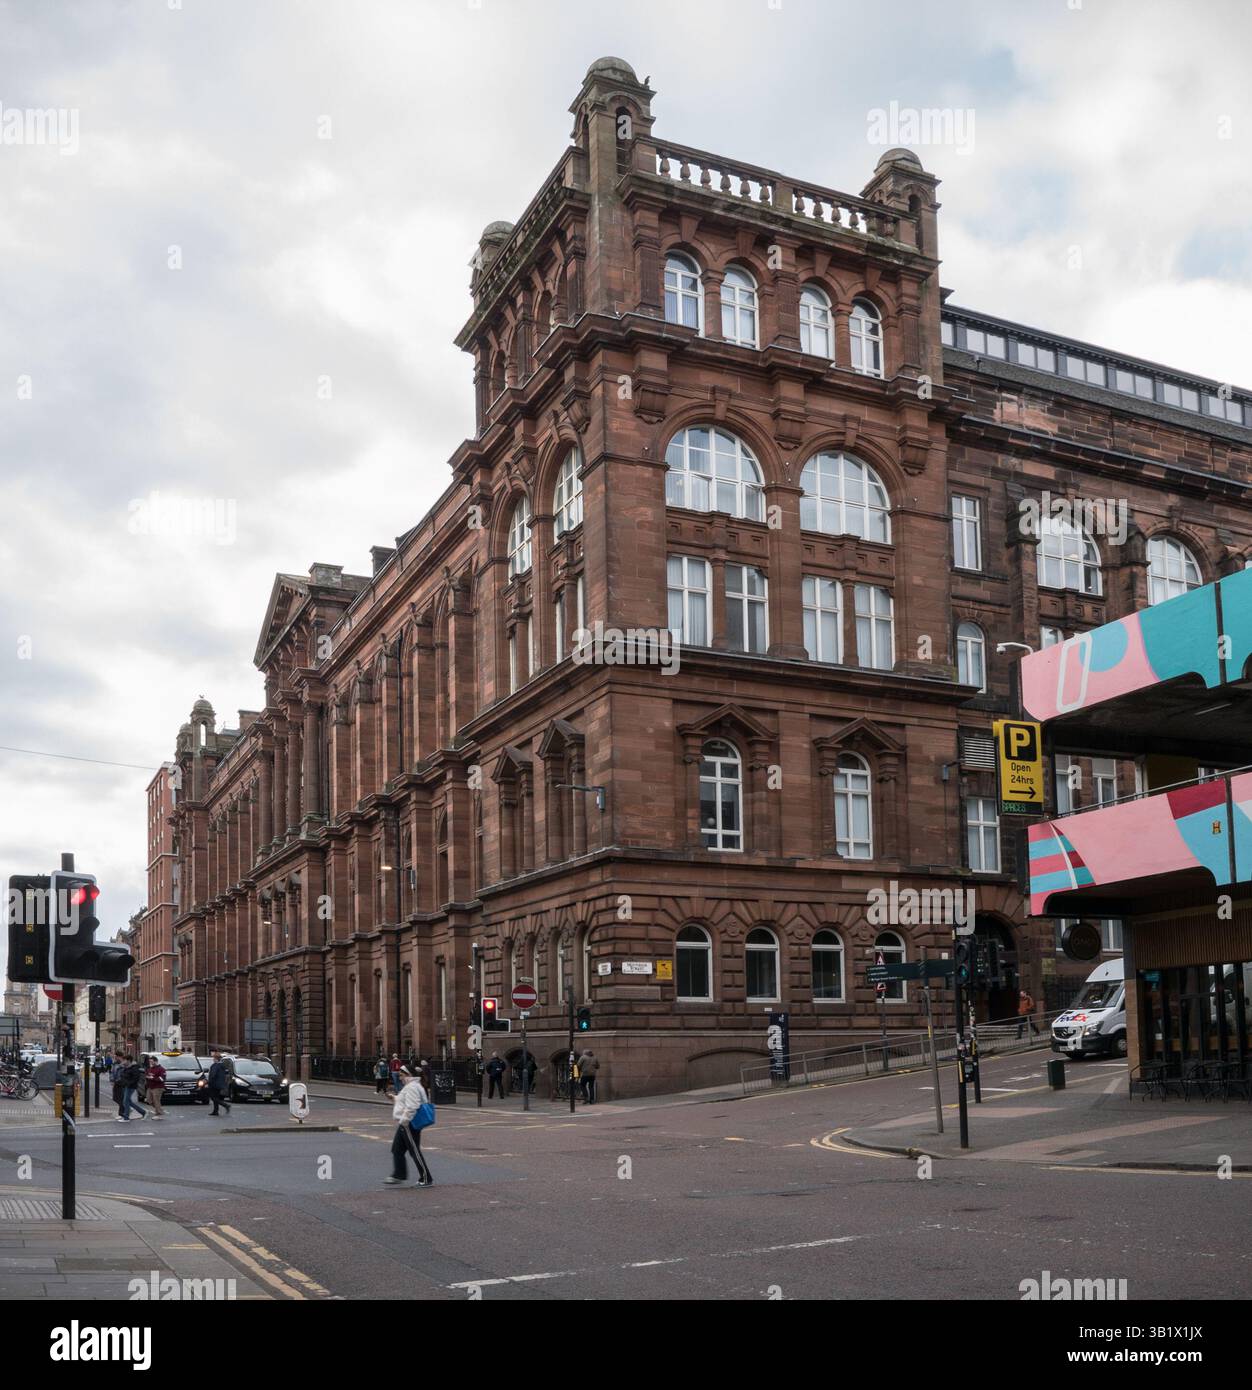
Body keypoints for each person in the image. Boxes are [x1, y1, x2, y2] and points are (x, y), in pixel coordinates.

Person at [385, 1066, 433, 1187]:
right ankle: (398, 1175)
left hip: (409, 1123)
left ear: (408, 1075)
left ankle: (426, 1178)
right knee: (397, 1149)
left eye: (401, 1075)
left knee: (414, 1151)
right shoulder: (411, 1086)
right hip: (405, 1123)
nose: (399, 1078)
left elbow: (412, 1106)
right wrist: (394, 1098)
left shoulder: (412, 1087)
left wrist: (405, 1121)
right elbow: (405, 1102)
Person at [118, 1055, 147, 1123]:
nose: (123, 1062)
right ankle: (143, 1112)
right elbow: (123, 1076)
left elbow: (135, 1078)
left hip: (130, 1087)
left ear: (128, 1060)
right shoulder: (126, 1067)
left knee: (125, 1101)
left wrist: (128, 1083)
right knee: (128, 1102)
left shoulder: (134, 1068)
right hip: (125, 1086)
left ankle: (126, 1117)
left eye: (124, 1060)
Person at [207, 1050, 233, 1115]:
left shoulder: (215, 1066)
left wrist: (209, 1082)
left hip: (214, 1084)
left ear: (216, 1059)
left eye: (214, 1058)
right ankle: (215, 1111)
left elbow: (213, 1075)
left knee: (213, 1098)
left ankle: (226, 1105)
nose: (213, 1059)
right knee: (216, 1097)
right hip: (220, 1084)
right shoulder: (222, 1065)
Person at [144, 1054, 167, 1119]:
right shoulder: (150, 1069)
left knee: (156, 1100)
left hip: (158, 1087)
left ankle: (158, 1114)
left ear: (156, 1061)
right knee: (149, 1100)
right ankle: (159, 1110)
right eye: (149, 1062)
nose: (150, 1063)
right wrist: (147, 1077)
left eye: (151, 1062)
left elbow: (162, 1079)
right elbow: (147, 1075)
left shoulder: (161, 1069)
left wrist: (152, 1078)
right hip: (150, 1087)